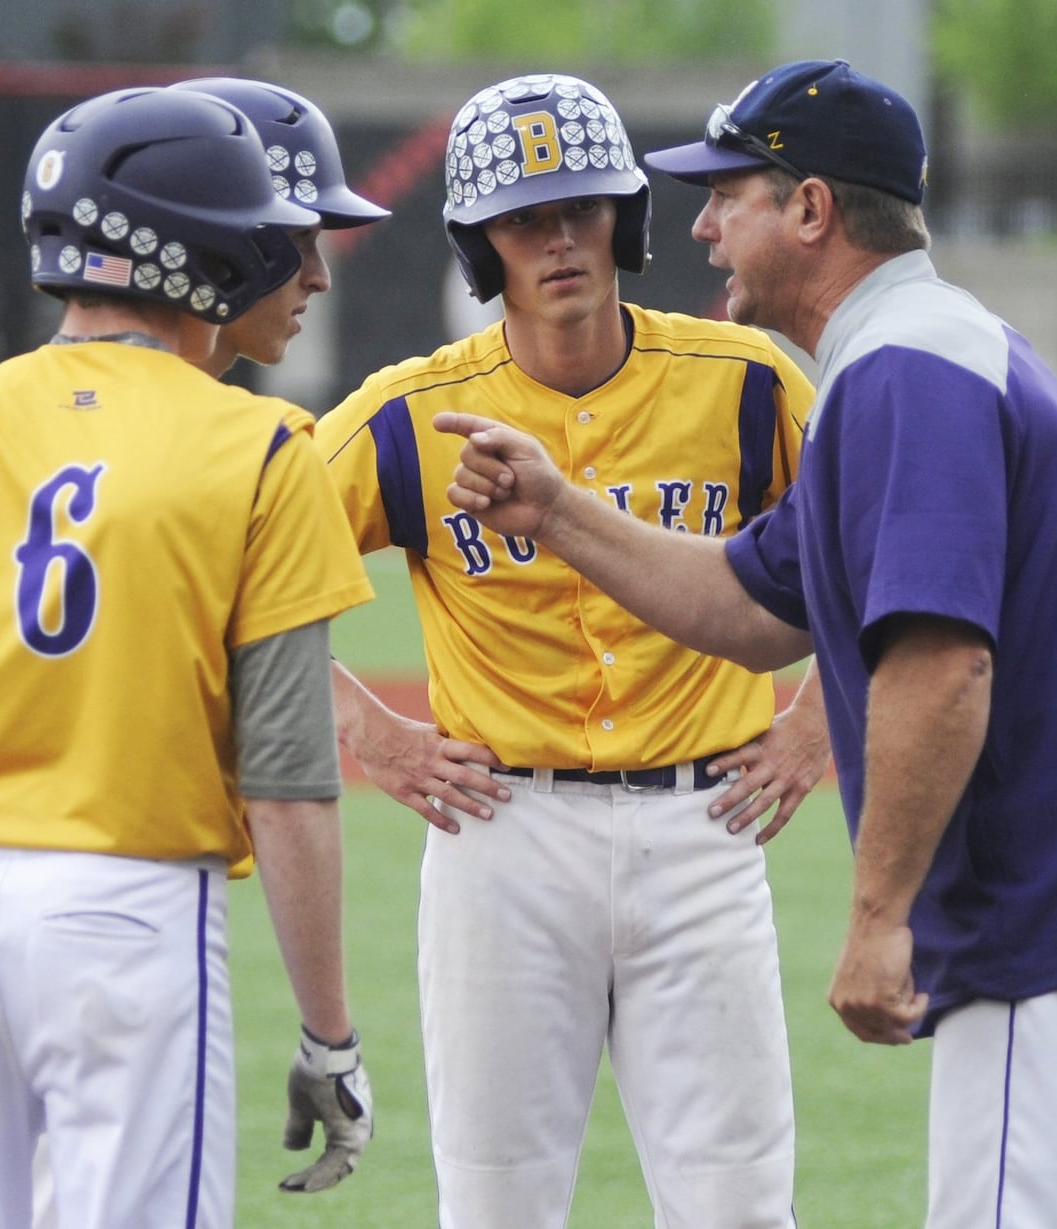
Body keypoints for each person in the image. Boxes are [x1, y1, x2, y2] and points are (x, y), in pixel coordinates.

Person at [439, 58, 1057, 1229]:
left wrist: (881, 915)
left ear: (813, 209)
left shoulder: (902, 369)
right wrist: (560, 511)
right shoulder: (934, 344)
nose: (702, 223)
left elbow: (940, 665)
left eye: (728, 191)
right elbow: (752, 604)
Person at [0, 86, 377, 1229]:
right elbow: (286, 788)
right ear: (205, 247)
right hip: (130, 912)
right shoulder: (261, 445)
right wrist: (328, 1033)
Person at [313, 71, 831, 1229]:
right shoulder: (407, 414)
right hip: (504, 832)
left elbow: (892, 551)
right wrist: (369, 735)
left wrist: (815, 722)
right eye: (523, 216)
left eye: (581, 206)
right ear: (478, 241)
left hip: (705, 827)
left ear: (626, 218)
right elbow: (231, 582)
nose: (557, 238)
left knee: (740, 1208)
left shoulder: (746, 380)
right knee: (495, 1208)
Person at [167, 77, 391, 380]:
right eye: (299, 241)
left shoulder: (96, 401)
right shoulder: (271, 427)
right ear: (212, 239)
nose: (320, 280)